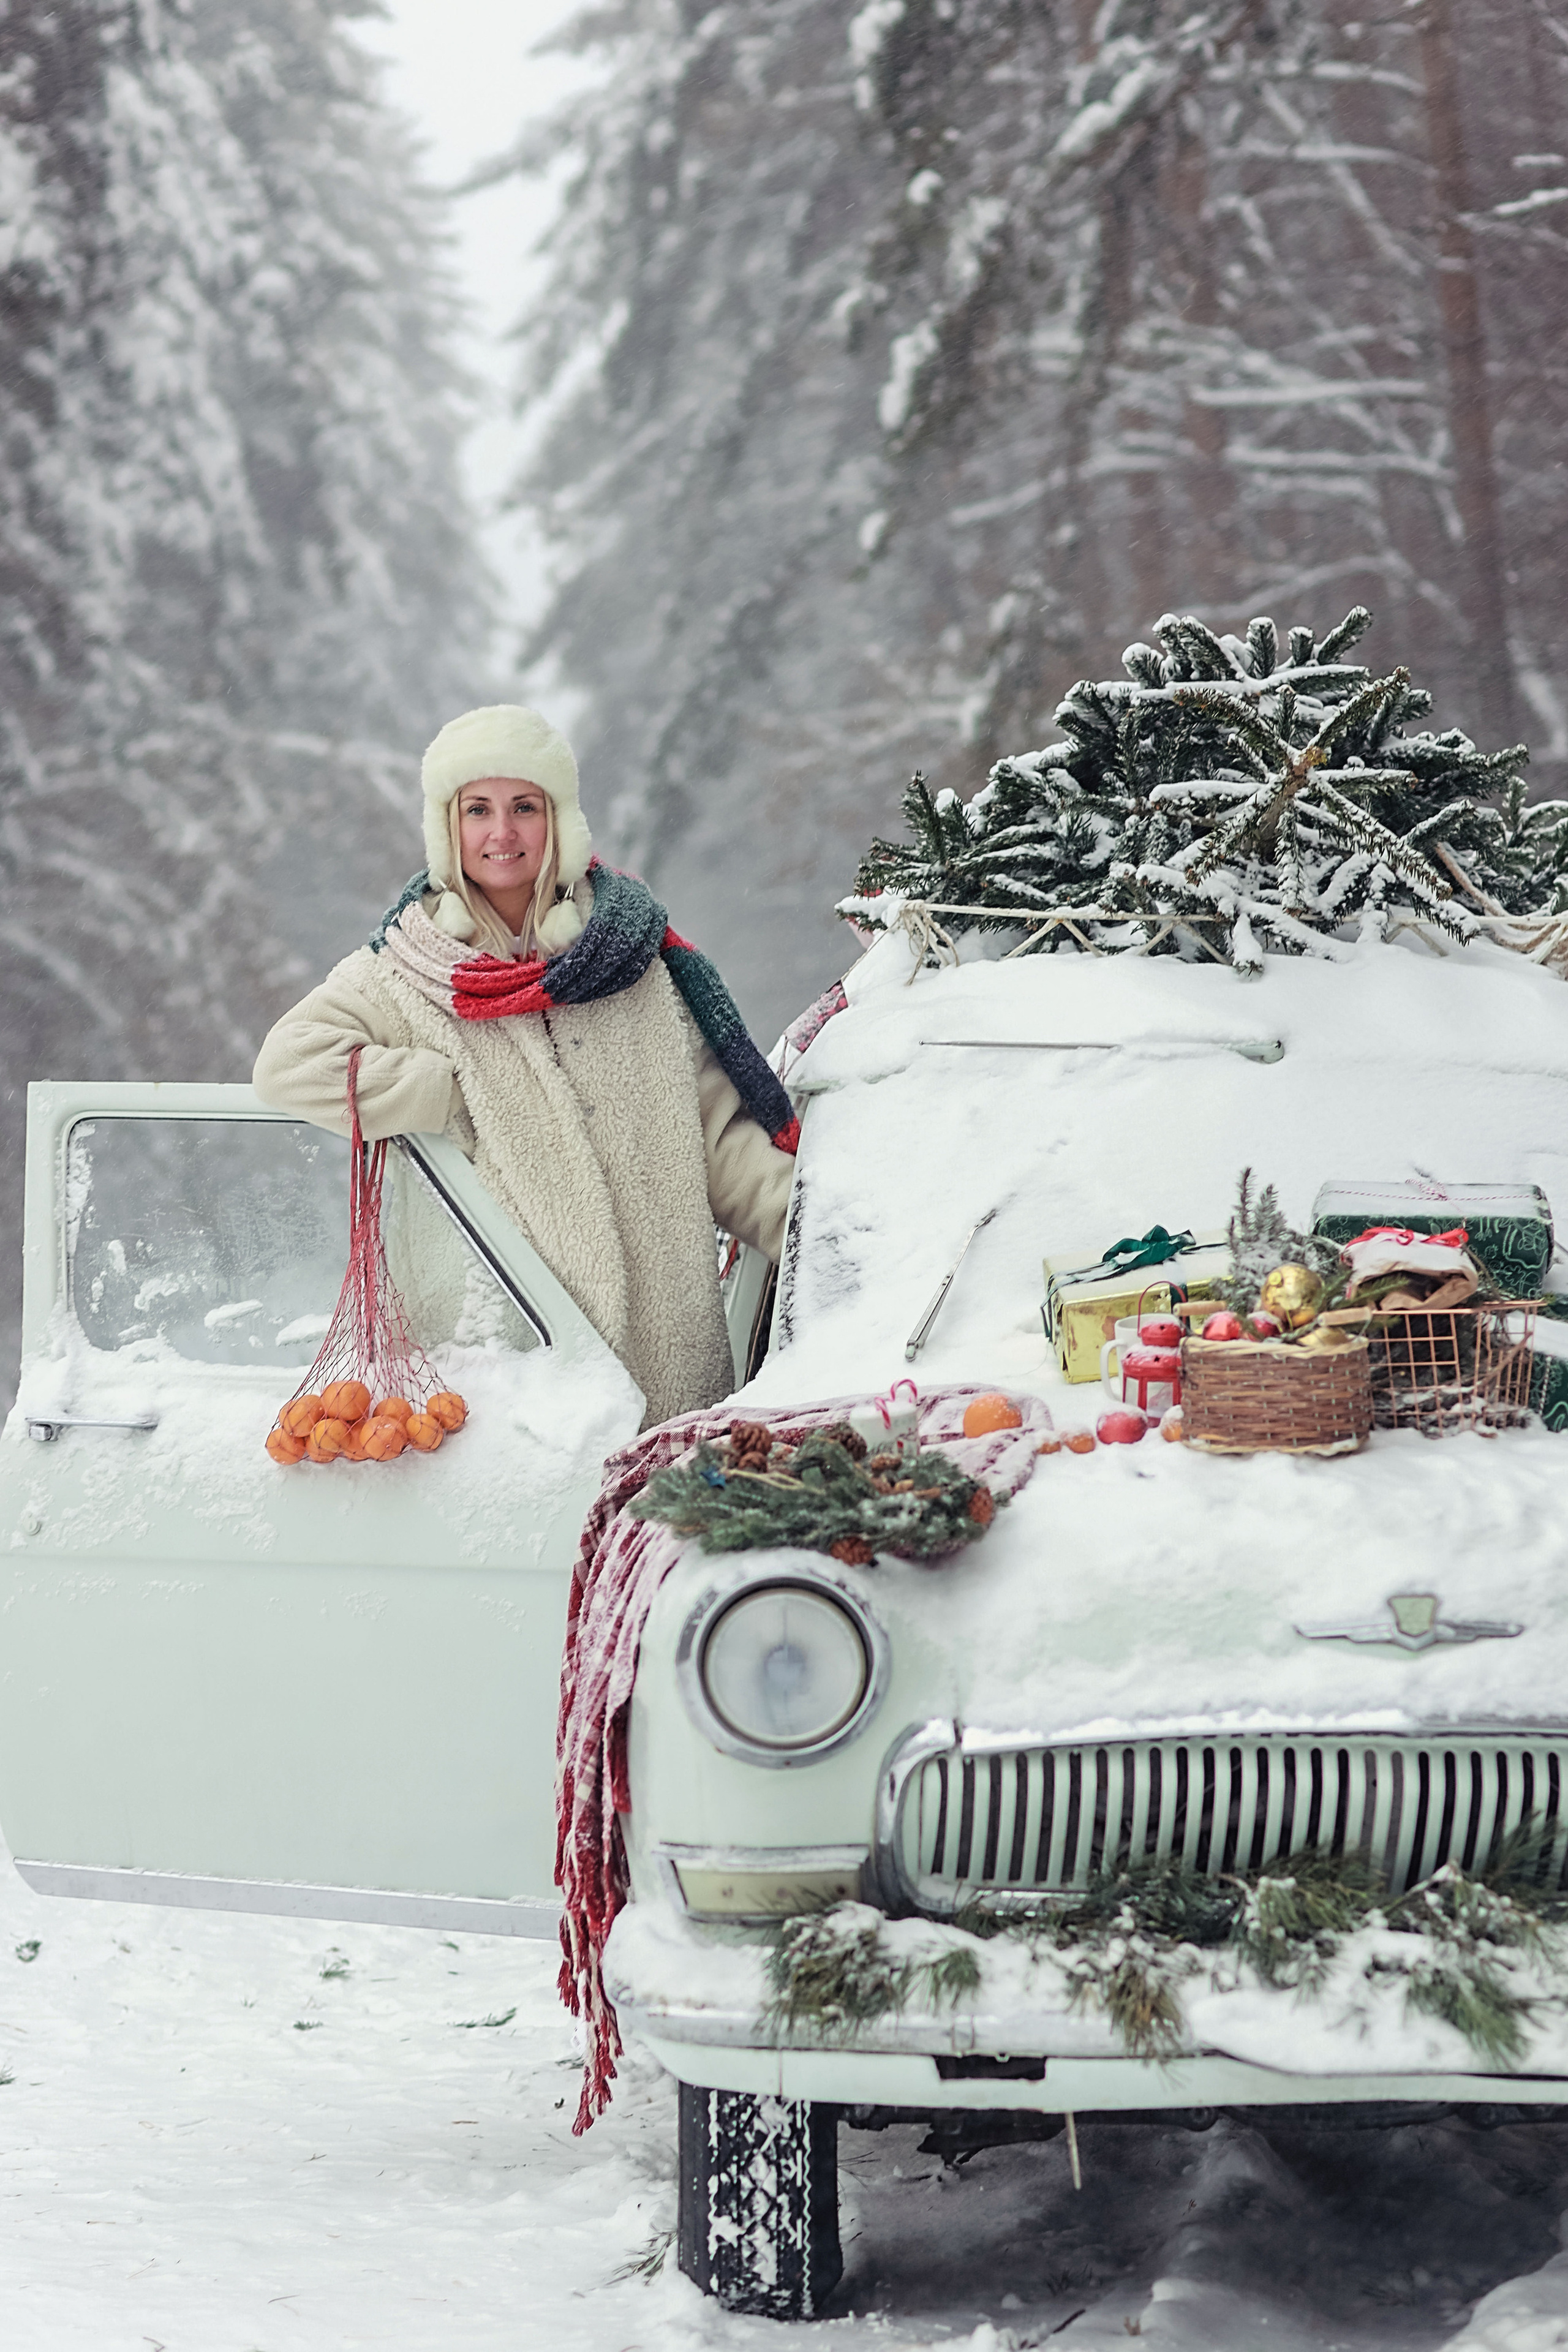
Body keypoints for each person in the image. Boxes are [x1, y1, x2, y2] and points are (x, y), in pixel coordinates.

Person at [253, 704, 797, 1425]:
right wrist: (449, 1093)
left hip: (659, 1366)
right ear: (447, 828)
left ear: (560, 822)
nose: (501, 833)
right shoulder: (403, 971)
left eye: (524, 808)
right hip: (498, 1372)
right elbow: (289, 1065)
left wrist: (821, 1235)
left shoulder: (636, 969)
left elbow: (722, 1149)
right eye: (477, 809)